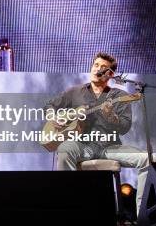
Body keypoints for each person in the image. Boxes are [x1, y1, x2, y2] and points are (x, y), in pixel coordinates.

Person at [45, 52, 149, 215]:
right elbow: (49, 106)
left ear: (111, 74)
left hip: (110, 147)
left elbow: (124, 127)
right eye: (96, 65)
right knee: (64, 149)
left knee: (147, 159)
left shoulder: (119, 96)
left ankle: (142, 217)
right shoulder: (75, 92)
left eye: (103, 68)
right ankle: (70, 211)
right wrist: (54, 117)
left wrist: (111, 117)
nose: (97, 69)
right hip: (82, 145)